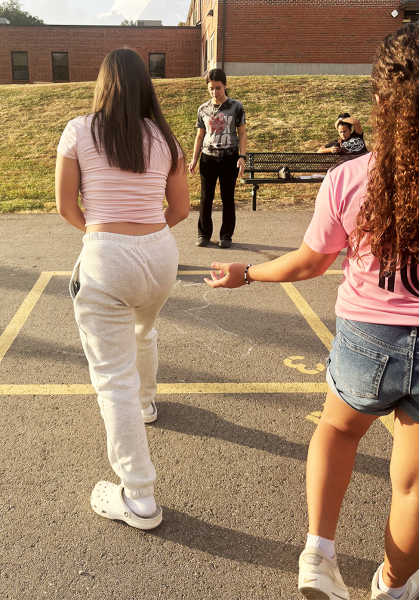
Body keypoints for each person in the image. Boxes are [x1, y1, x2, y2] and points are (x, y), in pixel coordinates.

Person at [205, 23, 419, 600]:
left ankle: (318, 557)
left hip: (367, 334)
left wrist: (245, 272)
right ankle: (393, 587)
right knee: (414, 484)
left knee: (337, 429)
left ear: (382, 100)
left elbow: (306, 263)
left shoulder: (351, 177)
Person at [55, 48, 189, 530]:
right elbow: (180, 209)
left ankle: (140, 498)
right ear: (145, 86)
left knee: (113, 380)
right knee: (144, 331)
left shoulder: (78, 130)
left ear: (103, 84)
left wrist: (102, 235)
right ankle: (148, 402)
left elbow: (66, 206)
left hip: (107, 255)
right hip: (159, 254)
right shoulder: (166, 137)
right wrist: (147, 230)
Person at [189, 68, 247, 249]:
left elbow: (242, 133)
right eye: (211, 88)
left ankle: (226, 236)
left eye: (218, 88)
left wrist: (242, 157)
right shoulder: (203, 109)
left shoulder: (236, 107)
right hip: (208, 158)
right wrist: (194, 159)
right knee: (206, 198)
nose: (215, 92)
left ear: (225, 85)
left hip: (229, 158)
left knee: (227, 198)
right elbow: (200, 136)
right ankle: (203, 234)